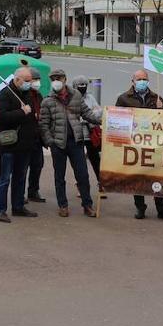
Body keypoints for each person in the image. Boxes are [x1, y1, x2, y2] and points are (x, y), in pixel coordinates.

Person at [38, 69, 101, 217]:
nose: (56, 81)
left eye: (58, 78)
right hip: (58, 144)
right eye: (53, 79)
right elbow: (43, 124)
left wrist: (103, 119)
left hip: (76, 142)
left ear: (65, 79)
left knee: (83, 175)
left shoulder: (76, 95)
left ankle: (87, 205)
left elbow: (87, 113)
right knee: (59, 176)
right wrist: (50, 141)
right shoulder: (47, 100)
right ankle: (63, 205)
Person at [117, 69, 163, 221]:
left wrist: (162, 110)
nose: (142, 81)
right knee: (138, 178)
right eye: (139, 79)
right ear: (133, 81)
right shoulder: (123, 99)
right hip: (135, 146)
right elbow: (117, 122)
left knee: (158, 177)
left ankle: (162, 209)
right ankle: (140, 208)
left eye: (144, 79)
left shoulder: (157, 98)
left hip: (155, 145)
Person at [0, 66, 42, 223]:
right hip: (9, 144)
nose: (29, 84)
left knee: (20, 178)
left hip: (25, 145)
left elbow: (32, 115)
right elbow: (1, 117)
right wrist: (22, 112)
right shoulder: (4, 95)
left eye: (31, 81)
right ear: (17, 79)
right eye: (27, 81)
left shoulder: (27, 94)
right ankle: (0, 210)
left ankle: (18, 207)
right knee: (5, 178)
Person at [74, 77, 104, 195]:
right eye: (80, 85)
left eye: (84, 84)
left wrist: (87, 116)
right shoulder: (72, 97)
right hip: (78, 134)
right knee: (79, 162)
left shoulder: (90, 97)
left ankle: (101, 183)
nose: (82, 87)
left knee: (95, 159)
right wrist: (86, 115)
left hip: (91, 134)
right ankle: (80, 186)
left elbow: (98, 111)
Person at [24, 71, 47, 204]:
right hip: (26, 136)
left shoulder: (38, 95)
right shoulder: (23, 95)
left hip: (37, 137)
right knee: (23, 166)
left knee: (38, 164)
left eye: (38, 79)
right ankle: (20, 193)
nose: (37, 82)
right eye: (34, 79)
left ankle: (33, 190)